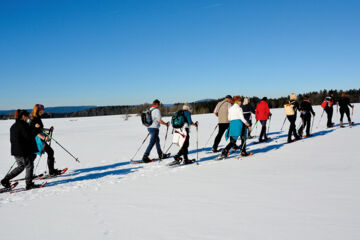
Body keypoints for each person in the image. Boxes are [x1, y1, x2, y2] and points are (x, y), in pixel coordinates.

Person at [1, 110, 42, 190]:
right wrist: (36, 129)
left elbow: (13, 139)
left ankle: (5, 180)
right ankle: (29, 184)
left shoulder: (14, 126)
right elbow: (28, 137)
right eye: (27, 116)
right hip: (23, 150)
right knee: (29, 165)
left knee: (21, 166)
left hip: (15, 150)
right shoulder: (23, 125)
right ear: (23, 116)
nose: (28, 118)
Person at [30, 104, 62, 176]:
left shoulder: (37, 117)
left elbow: (40, 128)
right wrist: (43, 138)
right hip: (37, 140)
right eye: (42, 109)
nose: (43, 111)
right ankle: (51, 171)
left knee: (33, 156)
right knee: (50, 152)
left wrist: (49, 130)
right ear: (38, 110)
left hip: (39, 139)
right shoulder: (34, 119)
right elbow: (34, 131)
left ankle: (30, 174)